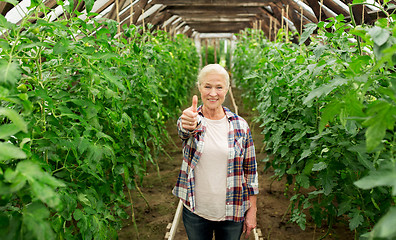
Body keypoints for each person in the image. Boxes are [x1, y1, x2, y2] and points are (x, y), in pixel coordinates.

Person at [172, 64, 259, 240]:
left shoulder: (240, 126)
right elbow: (184, 129)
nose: (213, 93)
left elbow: (250, 172)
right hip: (196, 211)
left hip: (232, 211)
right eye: (207, 86)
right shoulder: (193, 120)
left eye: (219, 87)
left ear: (226, 89)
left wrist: (252, 210)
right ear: (199, 88)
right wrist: (188, 123)